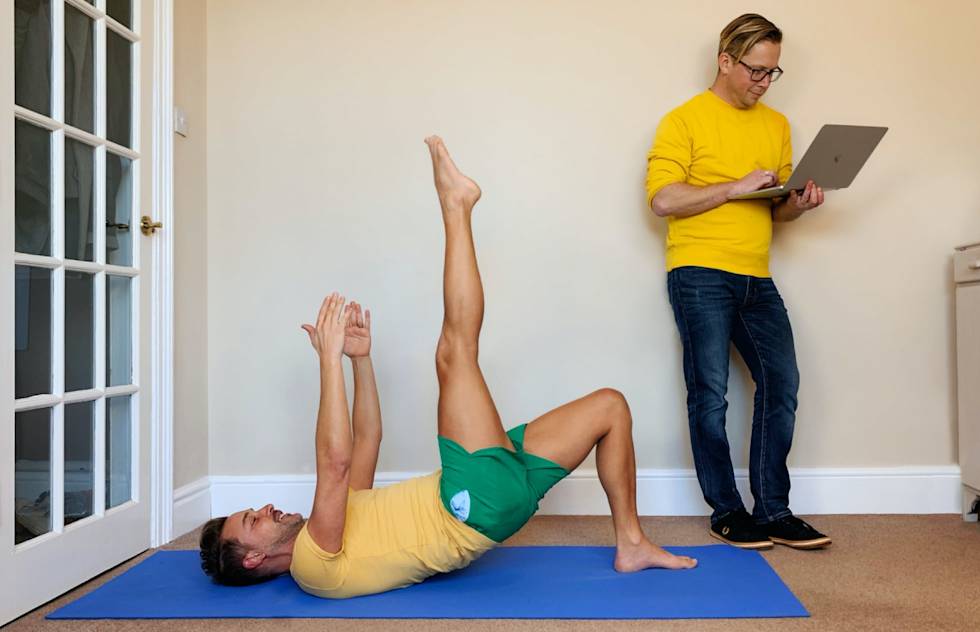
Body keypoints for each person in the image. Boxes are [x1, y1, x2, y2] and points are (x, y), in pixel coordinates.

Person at [199, 136, 696, 598]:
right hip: (468, 503)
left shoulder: (331, 522)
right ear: (255, 559)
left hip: (483, 498)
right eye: (252, 520)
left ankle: (631, 543)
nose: (264, 509)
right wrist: (327, 363)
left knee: (610, 406)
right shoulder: (311, 564)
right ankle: (456, 207)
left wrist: (359, 362)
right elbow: (335, 462)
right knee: (454, 353)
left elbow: (366, 441)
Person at [646, 13, 831, 550]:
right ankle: (727, 510)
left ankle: (773, 510)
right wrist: (733, 187)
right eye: (755, 70)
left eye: (773, 73)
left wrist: (798, 204)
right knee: (711, 395)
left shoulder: (776, 126)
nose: (763, 82)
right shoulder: (683, 121)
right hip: (700, 273)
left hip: (757, 277)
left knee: (783, 385)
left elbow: (775, 216)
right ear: (725, 61)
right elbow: (662, 200)